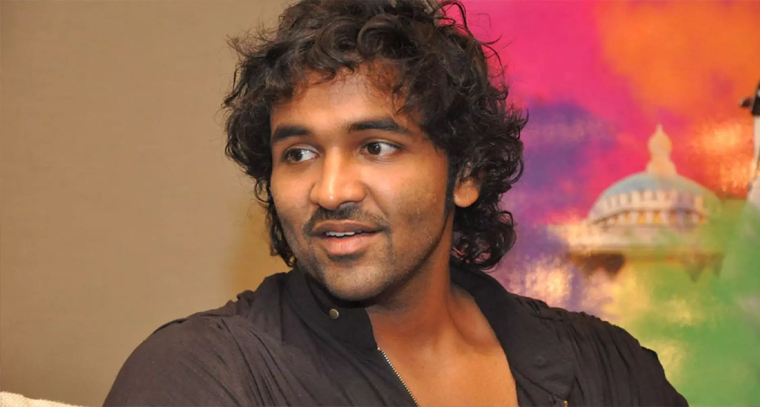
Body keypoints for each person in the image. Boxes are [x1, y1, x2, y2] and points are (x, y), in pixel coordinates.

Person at [104, 0, 687, 406]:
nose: (330, 190)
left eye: (375, 147)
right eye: (299, 154)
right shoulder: (204, 375)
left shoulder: (607, 369)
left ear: (465, 173)